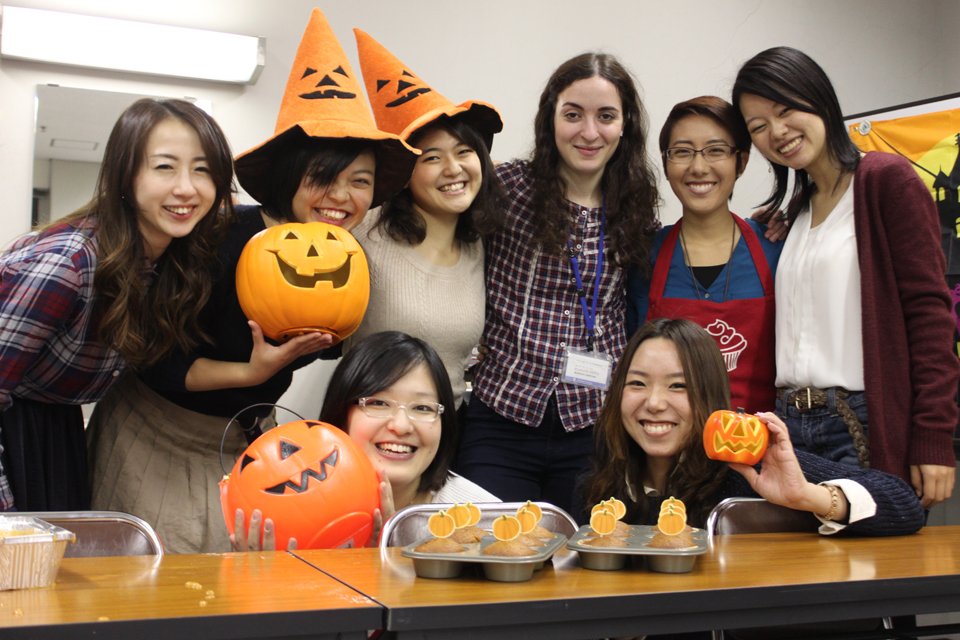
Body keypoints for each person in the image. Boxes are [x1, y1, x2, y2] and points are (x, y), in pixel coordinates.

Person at [86, 8, 416, 553]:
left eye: (360, 182)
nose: (342, 197)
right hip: (156, 432)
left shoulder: (349, 258)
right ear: (290, 176)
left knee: (231, 579)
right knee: (151, 579)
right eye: (323, 177)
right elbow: (154, 358)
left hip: (243, 441)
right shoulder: (215, 236)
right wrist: (252, 370)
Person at [733, 46, 958, 507]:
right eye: (758, 126)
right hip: (788, 422)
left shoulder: (885, 181)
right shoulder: (796, 212)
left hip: (859, 422)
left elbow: (930, 316)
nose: (777, 132)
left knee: (868, 550)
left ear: (818, 97)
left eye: (785, 109)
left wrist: (933, 436)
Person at [0, 98, 233, 513]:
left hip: (58, 427)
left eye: (202, 170)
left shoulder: (168, 261)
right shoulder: (67, 265)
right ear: (126, 175)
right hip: (14, 430)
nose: (186, 187)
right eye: (165, 167)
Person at [456, 52, 660, 514]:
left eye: (605, 116)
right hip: (503, 414)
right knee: (487, 546)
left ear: (625, 125)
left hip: (594, 424)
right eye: (573, 115)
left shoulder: (636, 205)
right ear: (551, 118)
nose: (589, 132)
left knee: (585, 552)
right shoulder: (506, 188)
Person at [575, 318, 925, 536]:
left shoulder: (746, 469)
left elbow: (904, 505)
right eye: (637, 383)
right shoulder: (598, 485)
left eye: (678, 386)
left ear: (710, 396)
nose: (654, 403)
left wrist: (805, 496)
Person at [347, 29, 505, 409]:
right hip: (370, 421)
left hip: (447, 426)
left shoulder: (480, 243)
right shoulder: (365, 230)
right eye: (432, 158)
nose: (453, 169)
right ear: (405, 174)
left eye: (464, 151)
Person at [233, 331, 499, 551]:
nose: (401, 426)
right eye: (378, 403)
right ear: (341, 414)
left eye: (422, 408)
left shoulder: (486, 521)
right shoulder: (284, 515)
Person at [627, 96, 782, 414]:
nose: (698, 167)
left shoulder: (777, 247)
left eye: (716, 150)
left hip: (758, 438)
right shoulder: (643, 256)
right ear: (666, 164)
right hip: (667, 434)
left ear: (741, 161)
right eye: (682, 152)